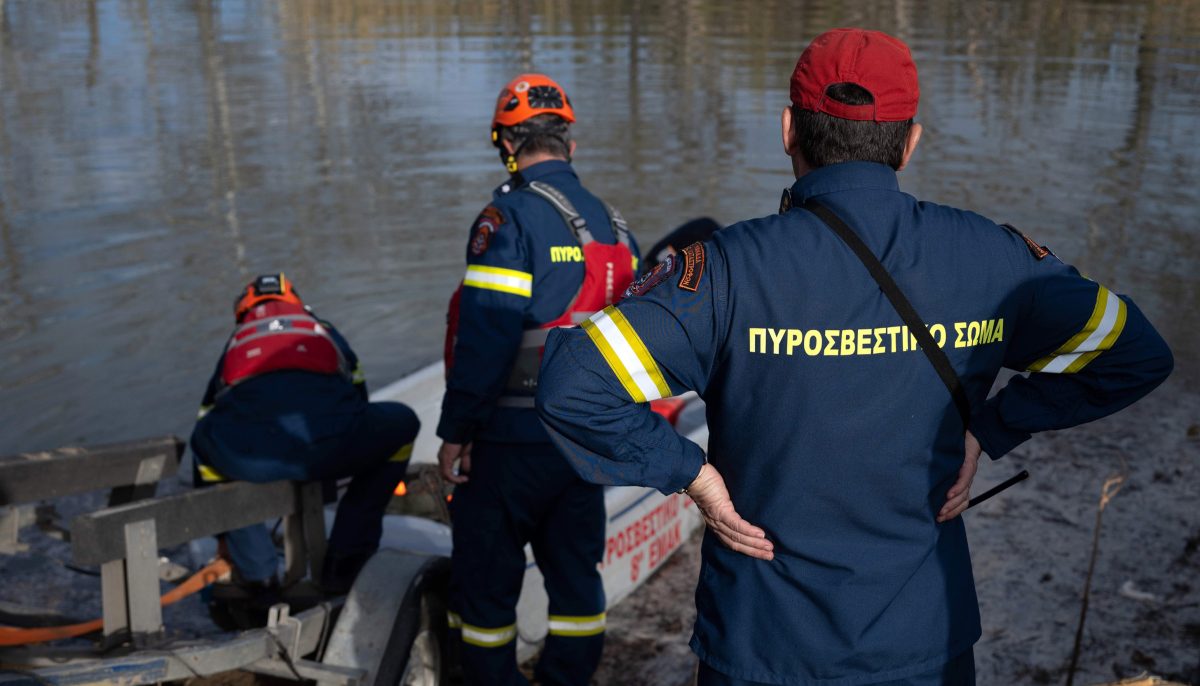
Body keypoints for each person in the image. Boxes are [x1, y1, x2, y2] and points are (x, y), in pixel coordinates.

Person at [536, 28, 1173, 686]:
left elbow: (571, 384)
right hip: (924, 644)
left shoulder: (727, 270)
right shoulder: (992, 259)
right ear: (911, 140)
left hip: (763, 644)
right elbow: (1134, 352)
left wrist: (691, 474)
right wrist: (997, 424)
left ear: (789, 130)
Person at [437, 74, 640, 685]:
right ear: (569, 144)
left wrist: (456, 432)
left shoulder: (508, 219)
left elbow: (486, 337)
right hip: (582, 444)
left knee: (486, 596)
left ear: (507, 145)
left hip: (508, 444)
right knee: (577, 581)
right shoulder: (614, 224)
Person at [191, 273, 419, 607]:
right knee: (402, 425)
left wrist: (221, 534)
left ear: (243, 310)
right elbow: (359, 400)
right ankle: (347, 557)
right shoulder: (320, 329)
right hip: (327, 449)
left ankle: (258, 577)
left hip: (253, 460)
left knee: (205, 445)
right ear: (297, 303)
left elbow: (209, 415)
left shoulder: (238, 341)